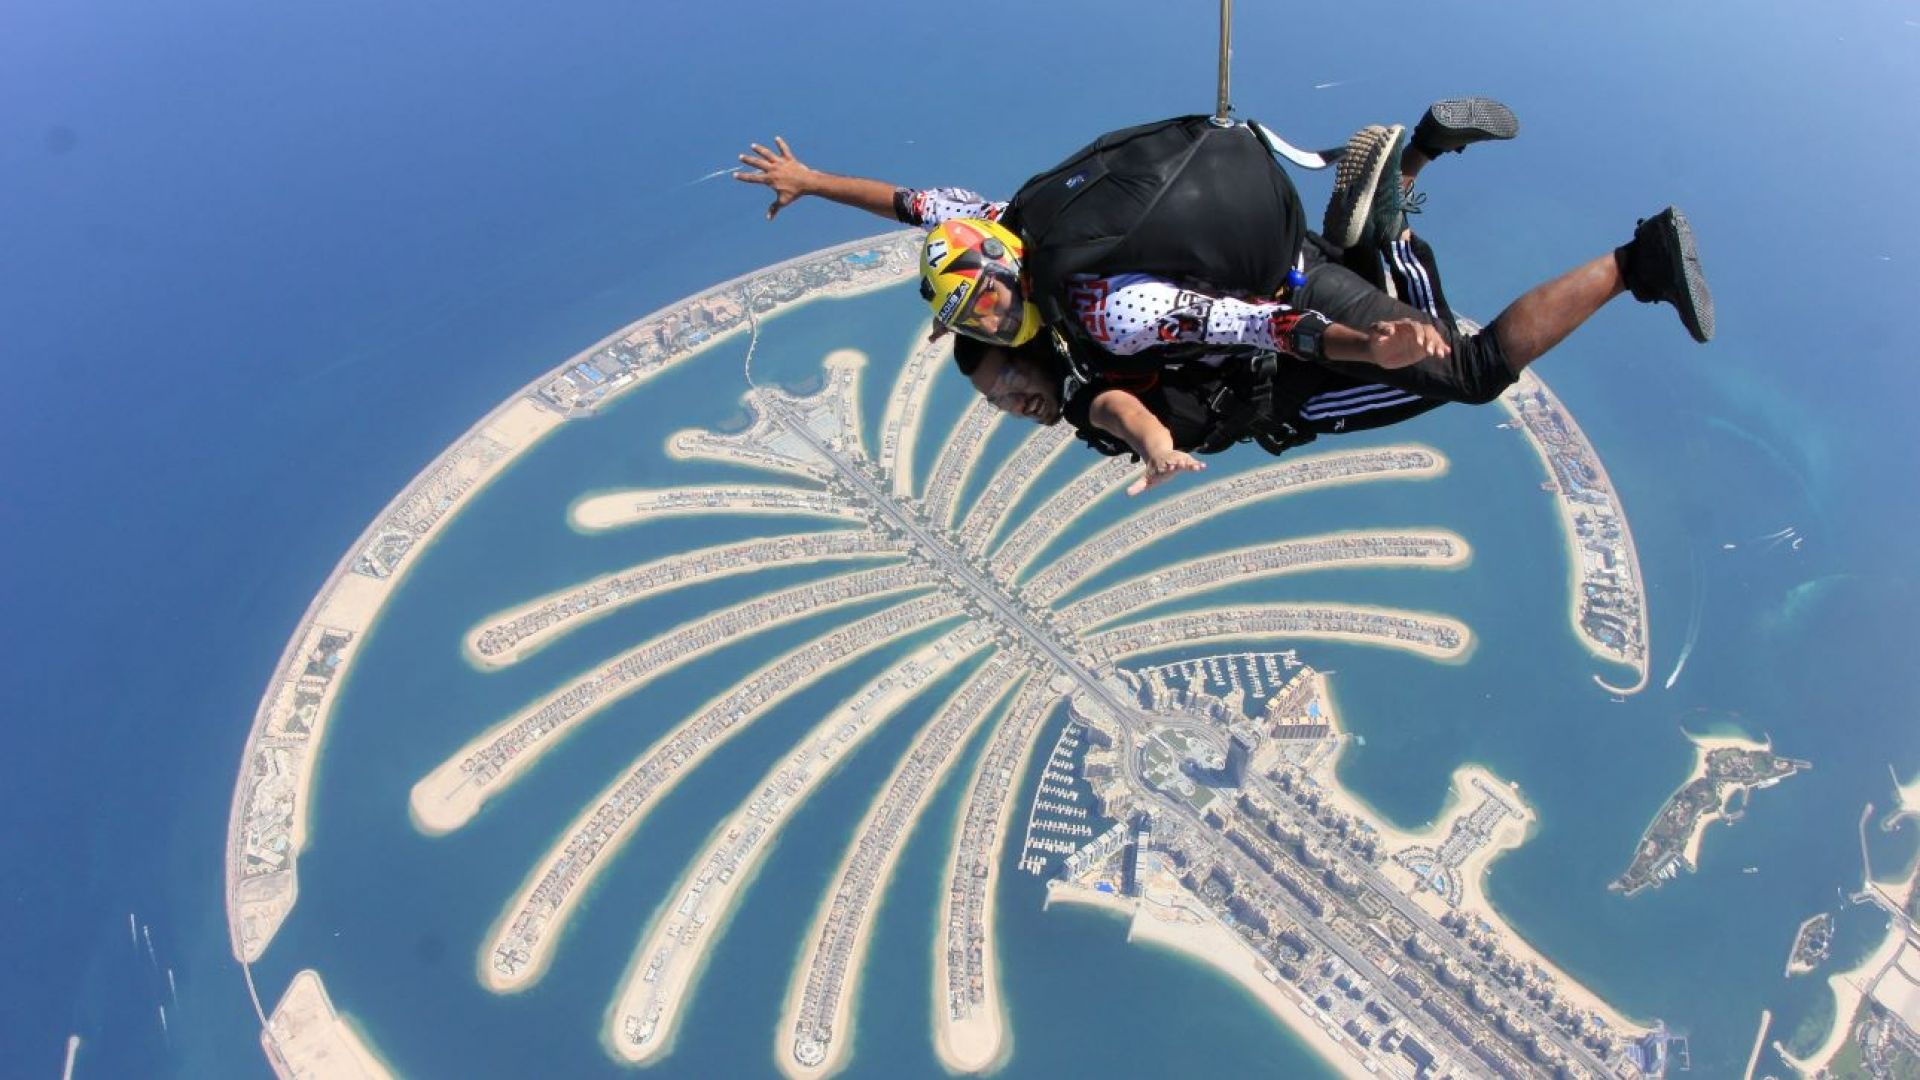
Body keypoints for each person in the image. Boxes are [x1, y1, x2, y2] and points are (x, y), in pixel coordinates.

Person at [736, 99, 1712, 493]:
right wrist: (813, 182)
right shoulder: (1007, 222)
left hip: (1296, 341)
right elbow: (913, 204)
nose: (1014, 401)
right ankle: (1409, 165)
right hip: (1283, 275)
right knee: (1366, 263)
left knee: (1468, 369)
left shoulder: (1094, 324)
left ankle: (1638, 262)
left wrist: (1354, 351)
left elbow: (1242, 329)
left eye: (1001, 378)